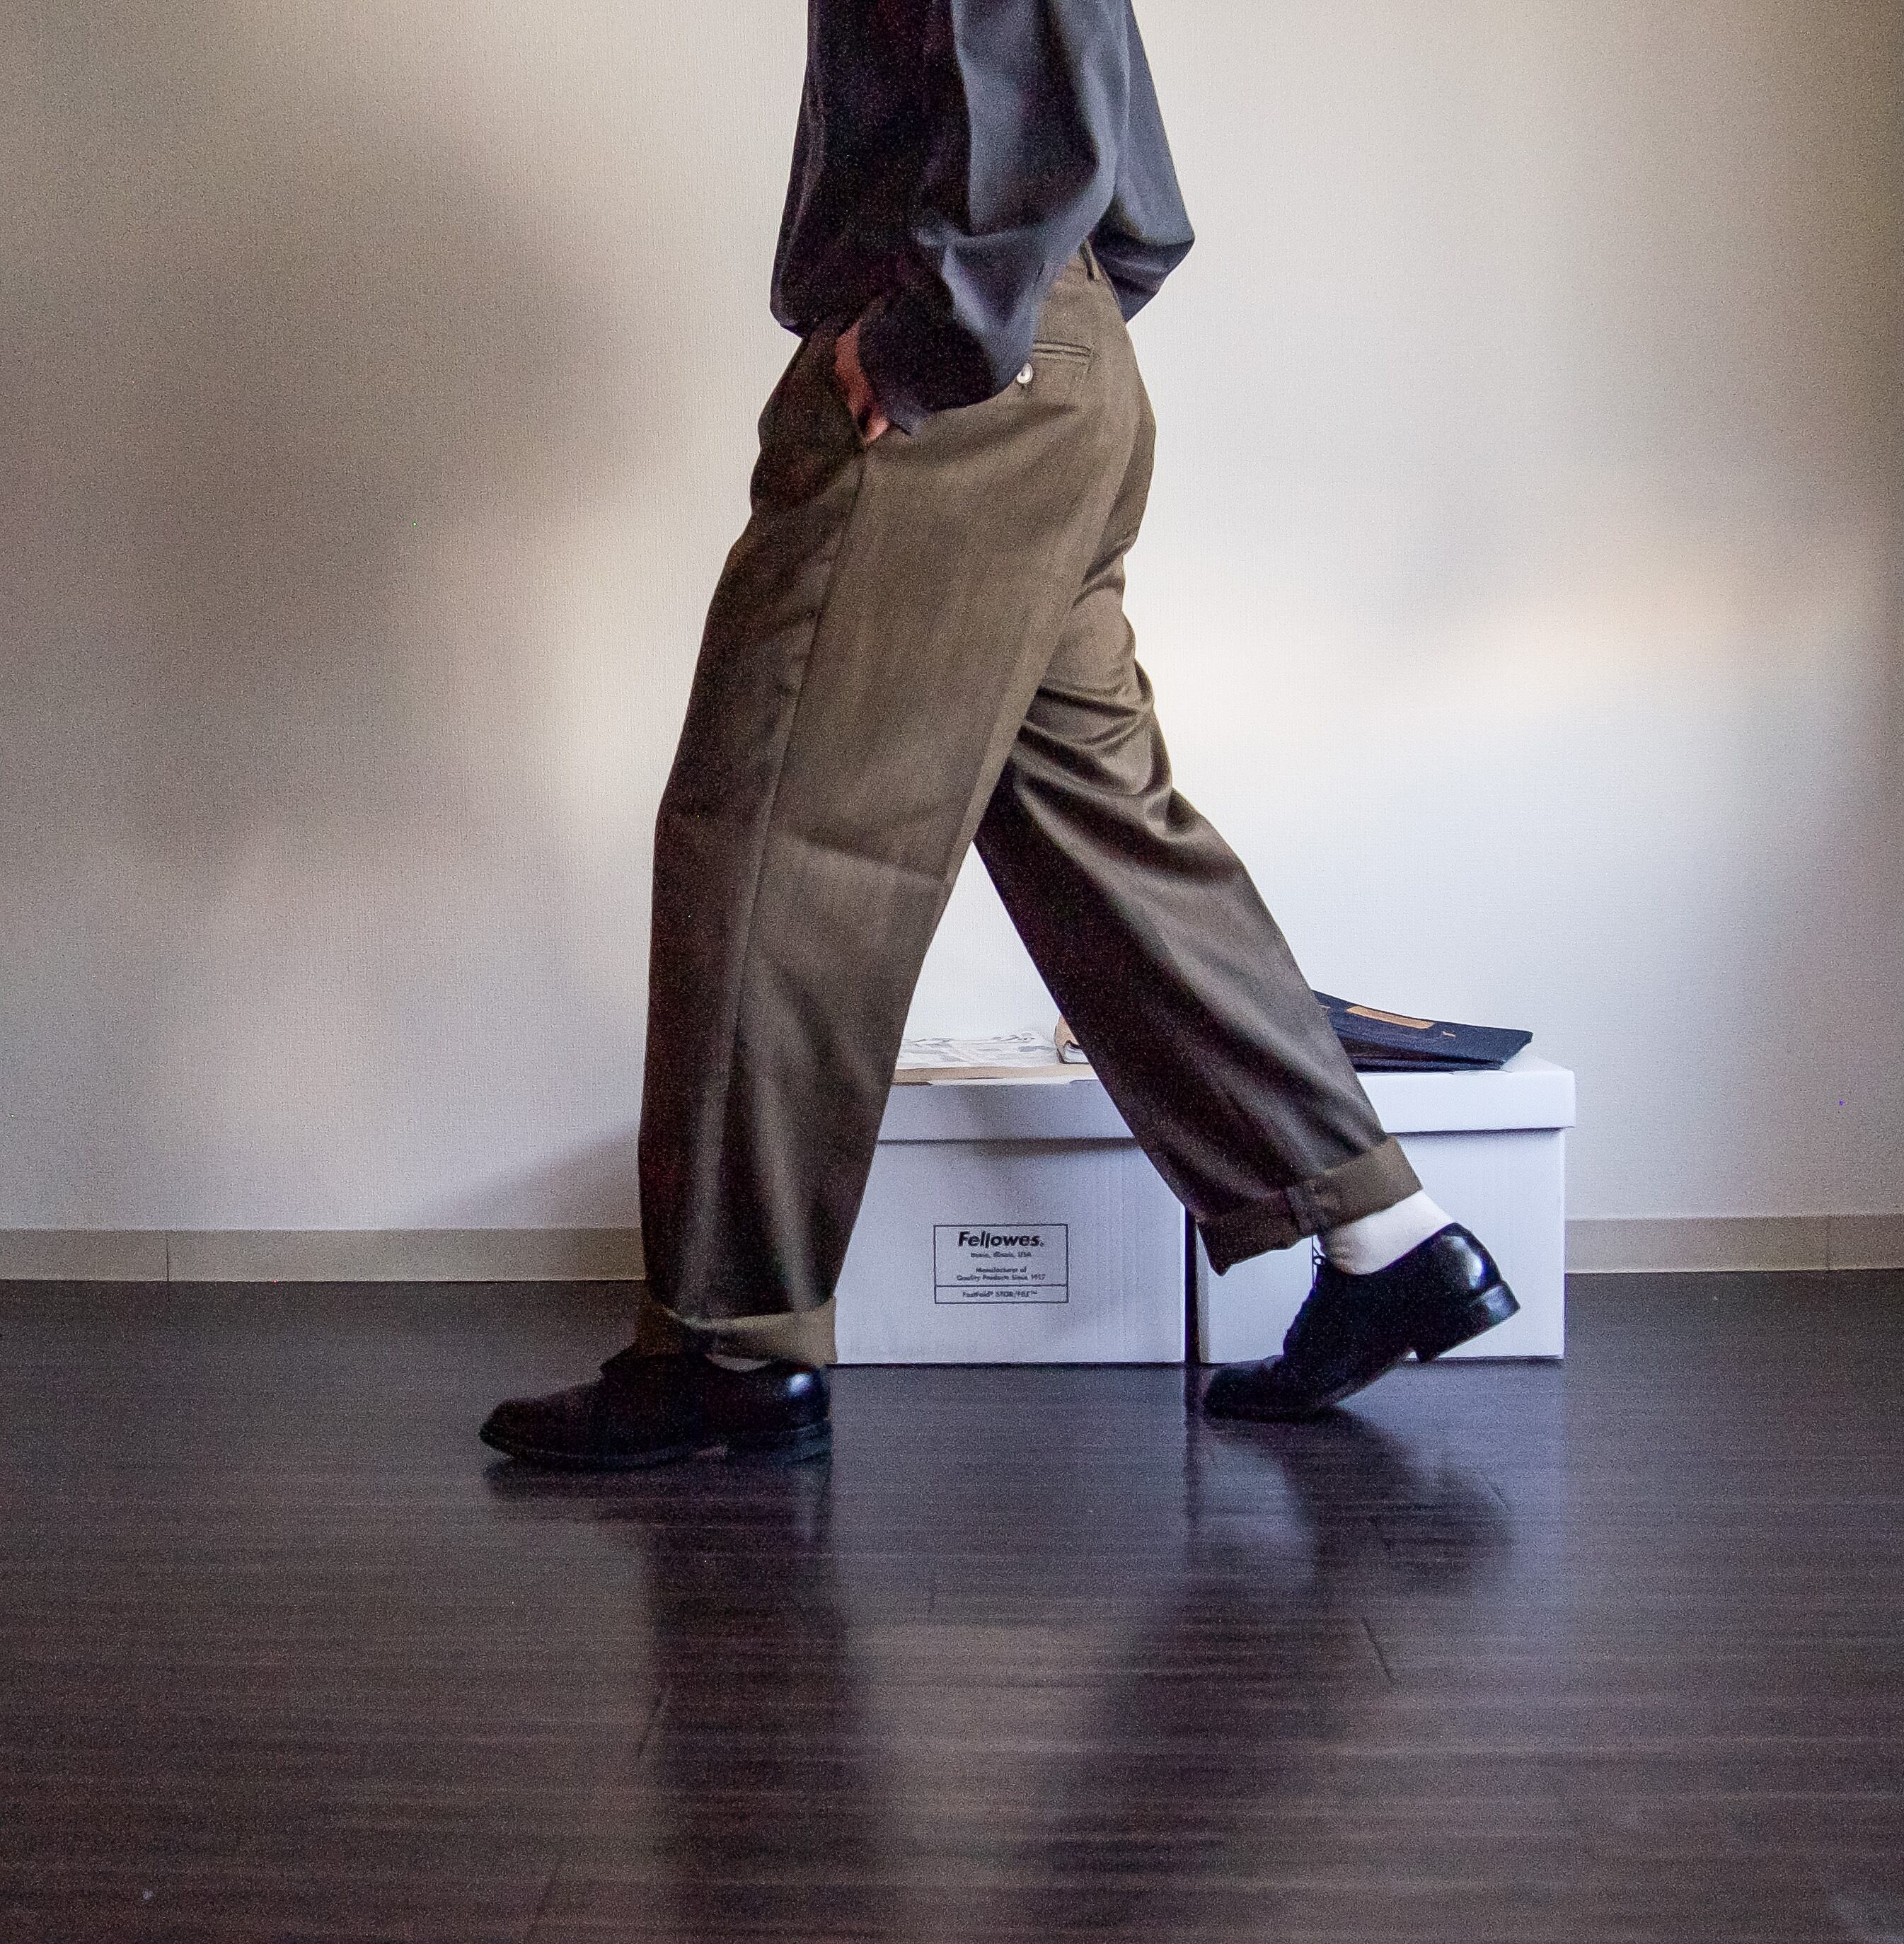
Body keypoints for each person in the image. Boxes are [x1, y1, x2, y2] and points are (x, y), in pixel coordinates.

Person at [479, 0, 1518, 1471]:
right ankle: (1383, 1236)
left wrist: (930, 340)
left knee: (769, 838)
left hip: (964, 382)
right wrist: (1026, 329)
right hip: (1048, 363)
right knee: (1099, 833)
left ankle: (729, 1343)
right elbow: (1127, 194)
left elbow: (1028, 104)